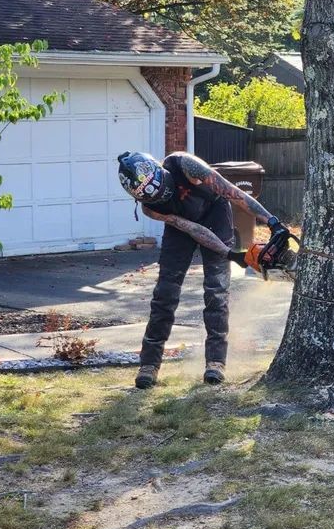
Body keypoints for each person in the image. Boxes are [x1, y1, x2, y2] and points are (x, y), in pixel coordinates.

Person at [117, 150, 287, 388]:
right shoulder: (150, 208)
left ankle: (215, 362)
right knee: (164, 294)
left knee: (216, 291)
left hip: (216, 215)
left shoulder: (187, 166)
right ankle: (149, 365)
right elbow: (192, 229)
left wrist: (272, 222)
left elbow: (234, 193)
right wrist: (230, 254)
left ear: (161, 171)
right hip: (182, 229)